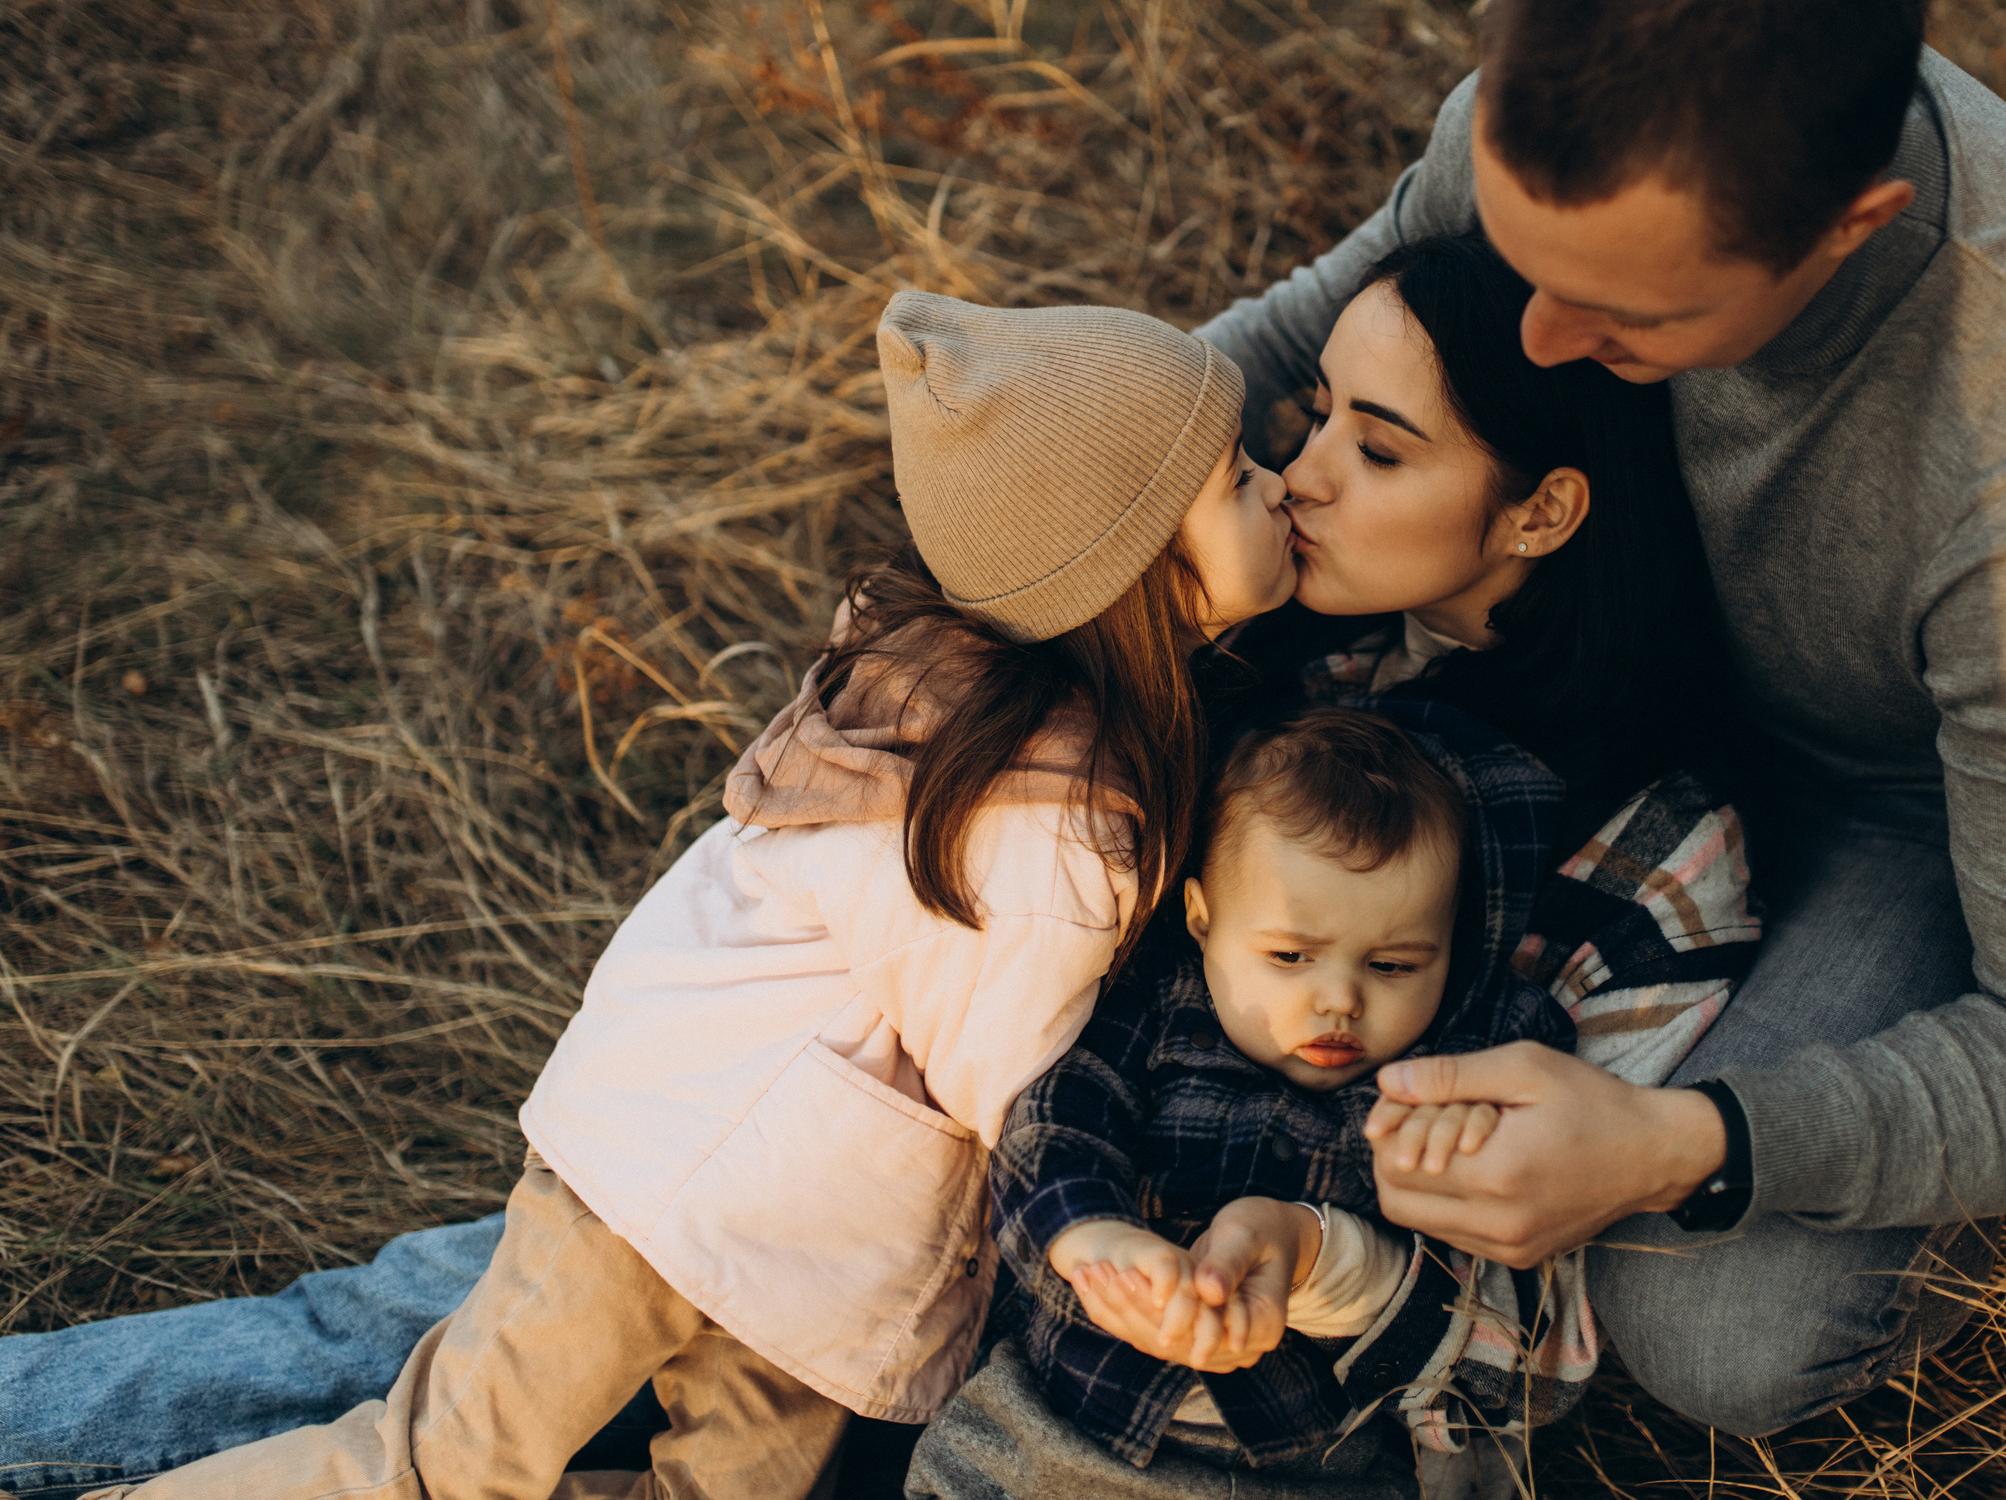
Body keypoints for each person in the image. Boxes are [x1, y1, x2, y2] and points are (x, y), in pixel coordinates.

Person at [1195, 0, 2006, 1438]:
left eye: (1626, 317)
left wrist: (1685, 1146)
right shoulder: (1546, 134)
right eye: (1521, 261)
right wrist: (1061, 493)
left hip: (1920, 796)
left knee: (1711, 1326)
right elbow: (1284, 336)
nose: (1542, 334)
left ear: (1849, 225)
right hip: (1616, 673)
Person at [75, 291, 1298, 1499]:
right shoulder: (1047, 821)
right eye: (1241, 477)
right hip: (672, 1187)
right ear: (1135, 563)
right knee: (453, 1463)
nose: (1283, 482)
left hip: (801, 1239)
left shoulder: (990, 713)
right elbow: (1012, 1081)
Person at [905, 704, 1579, 1500]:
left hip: (1306, 1463)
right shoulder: (1155, 1009)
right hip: (1063, 1417)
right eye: (1290, 956)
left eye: (1394, 965)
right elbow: (1054, 1123)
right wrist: (1095, 1243)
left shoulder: (1460, 1077)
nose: (1339, 1000)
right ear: (1202, 918)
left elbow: (1508, 1324)